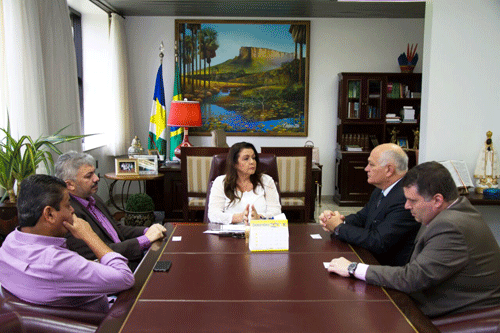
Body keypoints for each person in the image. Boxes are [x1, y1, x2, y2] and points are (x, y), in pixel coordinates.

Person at [327, 162, 500, 318]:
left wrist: (352, 268)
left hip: (451, 311)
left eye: (412, 200)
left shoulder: (450, 226)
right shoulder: (453, 210)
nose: (406, 206)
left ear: (437, 200)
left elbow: (412, 278)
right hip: (430, 296)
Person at [0, 175, 135, 312]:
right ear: (50, 214)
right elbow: (125, 277)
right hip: (105, 321)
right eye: (68, 204)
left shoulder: (10, 241)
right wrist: (89, 235)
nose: (72, 210)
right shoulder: (55, 261)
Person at [54, 151, 166, 270]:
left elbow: (117, 229)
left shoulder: (93, 198)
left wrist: (147, 230)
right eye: (89, 176)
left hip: (129, 258)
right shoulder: (69, 214)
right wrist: (145, 240)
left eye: (94, 173)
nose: (96, 178)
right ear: (70, 185)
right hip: (112, 269)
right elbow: (99, 252)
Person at [319, 143, 420, 266]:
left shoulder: (406, 197)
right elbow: (363, 217)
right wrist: (336, 219)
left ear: (389, 170)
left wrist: (339, 227)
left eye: (371, 165)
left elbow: (378, 242)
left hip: (384, 269)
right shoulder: (382, 188)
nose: (366, 168)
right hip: (368, 256)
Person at [208, 142, 281, 224]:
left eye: (253, 158)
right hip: (230, 233)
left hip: (260, 232)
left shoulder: (267, 181)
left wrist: (259, 217)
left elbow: (276, 212)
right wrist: (238, 218)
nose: (252, 162)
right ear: (234, 163)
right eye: (246, 159)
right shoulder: (221, 182)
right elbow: (213, 214)